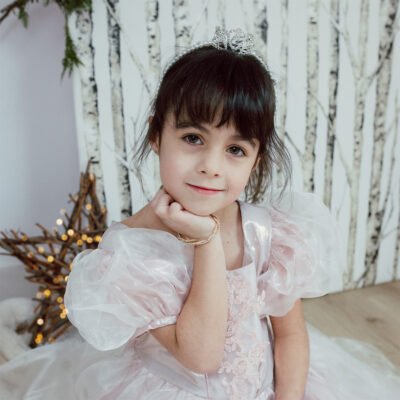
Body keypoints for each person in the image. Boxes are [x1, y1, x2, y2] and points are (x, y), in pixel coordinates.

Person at [1, 26, 400, 400]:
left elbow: (290, 335)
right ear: (156, 135)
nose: (211, 166)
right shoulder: (133, 253)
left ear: (257, 160)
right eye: (193, 138)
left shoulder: (267, 234)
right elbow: (202, 357)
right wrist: (206, 241)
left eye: (235, 149)